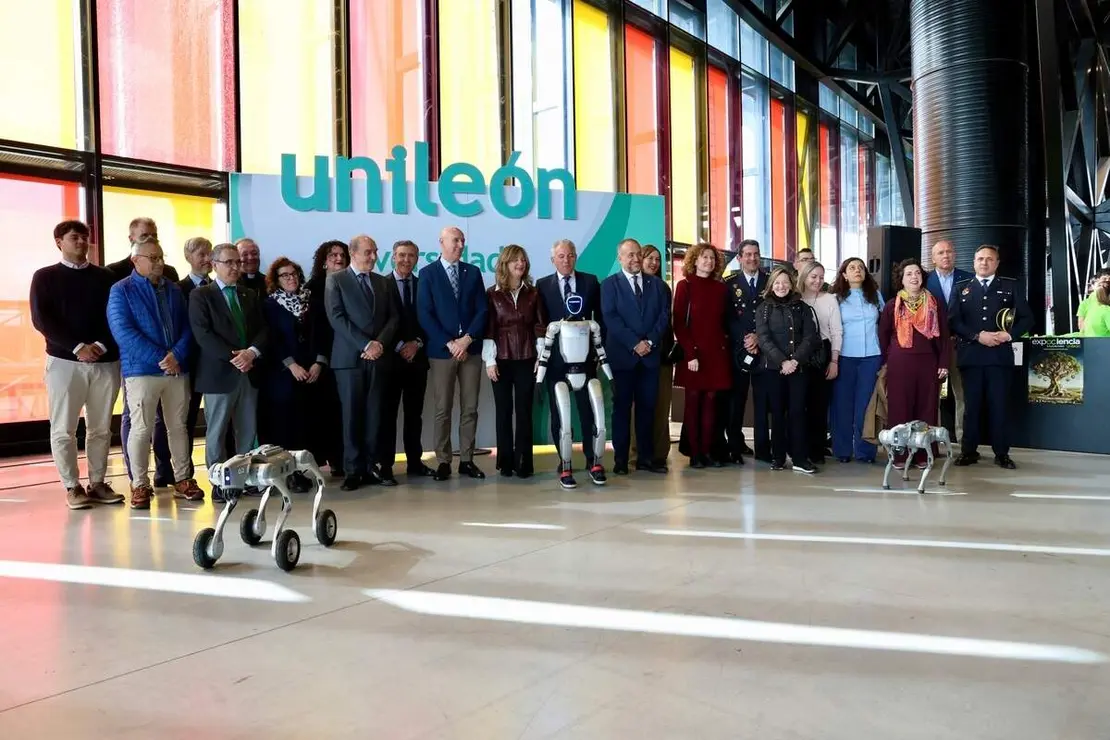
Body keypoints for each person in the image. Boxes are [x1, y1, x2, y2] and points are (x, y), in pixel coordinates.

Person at [30, 220, 124, 510]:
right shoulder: (44, 277)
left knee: (99, 428)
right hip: (64, 362)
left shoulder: (106, 277)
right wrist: (77, 346)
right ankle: (72, 486)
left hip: (105, 361)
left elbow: (117, 316)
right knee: (63, 429)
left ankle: (97, 483)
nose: (82, 242)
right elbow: (42, 319)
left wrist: (101, 345)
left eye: (85, 237)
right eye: (75, 237)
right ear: (59, 241)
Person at [107, 235, 203, 508]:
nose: (159, 262)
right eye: (153, 258)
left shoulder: (173, 290)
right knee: (141, 428)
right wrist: (163, 357)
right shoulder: (121, 290)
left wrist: (178, 356)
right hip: (142, 371)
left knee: (178, 427)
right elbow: (123, 332)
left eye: (161, 257)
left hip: (176, 371)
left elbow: (187, 328)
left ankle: (183, 479)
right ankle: (139, 484)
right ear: (135, 260)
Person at [188, 242, 268, 502]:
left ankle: (244, 479)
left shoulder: (249, 295)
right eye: (229, 262)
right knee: (217, 431)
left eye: (237, 262)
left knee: (247, 430)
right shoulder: (202, 295)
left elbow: (263, 330)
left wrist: (252, 353)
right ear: (214, 265)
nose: (235, 267)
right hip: (219, 374)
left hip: (249, 371)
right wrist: (236, 357)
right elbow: (203, 335)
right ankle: (218, 482)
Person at [947, 245, 1034, 469]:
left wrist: (1009, 334)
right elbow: (954, 321)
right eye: (980, 259)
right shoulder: (961, 288)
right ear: (973, 262)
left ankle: (1002, 453)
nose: (984, 263)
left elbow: (1027, 318)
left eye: (989, 259)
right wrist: (977, 336)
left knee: (999, 406)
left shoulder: (1009, 286)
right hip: (971, 357)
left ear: (997, 263)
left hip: (999, 358)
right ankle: (968, 451)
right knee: (971, 407)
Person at [325, 235, 399, 490]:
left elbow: (393, 318)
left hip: (379, 358)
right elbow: (336, 317)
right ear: (352, 253)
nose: (374, 257)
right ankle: (353, 471)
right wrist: (365, 344)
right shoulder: (336, 280)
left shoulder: (382, 282)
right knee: (352, 416)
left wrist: (379, 344)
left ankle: (374, 467)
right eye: (368, 252)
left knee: (376, 415)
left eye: (375, 252)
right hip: (349, 360)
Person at [110, 217, 177, 488]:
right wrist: (159, 357)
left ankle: (165, 469)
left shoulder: (169, 273)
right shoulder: (114, 274)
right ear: (131, 240)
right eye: (144, 235)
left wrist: (175, 356)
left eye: (154, 234)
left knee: (168, 421)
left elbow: (177, 320)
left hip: (170, 365)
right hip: (136, 362)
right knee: (134, 418)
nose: (150, 237)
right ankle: (136, 477)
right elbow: (121, 325)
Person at [417, 225, 488, 481]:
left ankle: (466, 459)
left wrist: (467, 340)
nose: (460, 245)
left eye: (462, 240)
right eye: (455, 240)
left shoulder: (473, 272)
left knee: (470, 407)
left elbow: (482, 310)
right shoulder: (428, 274)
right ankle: (444, 460)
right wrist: (450, 343)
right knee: (442, 408)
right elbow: (425, 314)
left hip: (470, 350)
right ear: (442, 242)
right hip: (442, 351)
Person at [601, 238, 670, 474]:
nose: (635, 259)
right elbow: (611, 319)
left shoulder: (658, 286)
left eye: (637, 254)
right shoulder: (609, 285)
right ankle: (620, 460)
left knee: (647, 408)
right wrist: (634, 343)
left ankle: (646, 459)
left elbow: (663, 317)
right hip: (623, 357)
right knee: (621, 409)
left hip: (650, 358)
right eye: (629, 255)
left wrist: (649, 342)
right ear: (619, 258)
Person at [535, 239, 604, 471]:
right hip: (555, 361)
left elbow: (600, 318)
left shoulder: (590, 281)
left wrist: (597, 350)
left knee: (588, 410)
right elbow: (541, 323)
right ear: (553, 259)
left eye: (571, 255)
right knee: (559, 412)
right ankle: (563, 459)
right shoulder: (542, 285)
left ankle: (590, 457)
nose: (567, 260)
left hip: (585, 360)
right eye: (562, 256)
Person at [259, 257, 325, 491]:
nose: (291, 278)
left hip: (310, 373)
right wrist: (290, 364)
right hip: (282, 376)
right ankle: (283, 476)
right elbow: (272, 340)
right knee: (283, 427)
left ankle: (299, 472)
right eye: (285, 275)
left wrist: (319, 362)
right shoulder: (269, 305)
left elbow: (322, 335)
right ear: (275, 280)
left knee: (304, 426)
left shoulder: (312, 303)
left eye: (294, 274)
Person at [878, 259, 951, 468]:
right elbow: (883, 335)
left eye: (917, 273)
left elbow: (944, 335)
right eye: (908, 273)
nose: (914, 277)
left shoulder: (934, 303)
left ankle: (923, 454)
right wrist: (888, 358)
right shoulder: (892, 304)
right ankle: (899, 455)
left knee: (926, 408)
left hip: (928, 361)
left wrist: (943, 362)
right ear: (901, 279)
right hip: (900, 363)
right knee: (899, 408)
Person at [483, 245, 547, 478]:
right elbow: (489, 329)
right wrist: (489, 361)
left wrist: (540, 358)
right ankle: (505, 462)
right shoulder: (492, 294)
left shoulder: (533, 293)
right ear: (505, 264)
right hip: (500, 360)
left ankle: (524, 462)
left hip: (527, 359)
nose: (520, 264)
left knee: (524, 411)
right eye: (515, 260)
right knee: (503, 411)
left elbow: (540, 327)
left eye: (523, 260)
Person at [378, 240, 436, 480]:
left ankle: (414, 462)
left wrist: (417, 344)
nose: (406, 260)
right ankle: (386, 466)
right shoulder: (381, 285)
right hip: (390, 362)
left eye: (411, 256)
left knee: (415, 415)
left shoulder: (424, 285)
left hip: (417, 362)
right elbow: (378, 323)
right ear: (393, 257)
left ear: (416, 258)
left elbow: (431, 319)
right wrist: (401, 345)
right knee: (387, 416)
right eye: (401, 255)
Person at [755, 267, 820, 473]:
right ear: (771, 286)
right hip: (774, 370)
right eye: (777, 283)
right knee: (777, 413)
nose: (781, 286)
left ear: (791, 284)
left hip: (799, 369)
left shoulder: (802, 307)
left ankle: (800, 458)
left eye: (785, 282)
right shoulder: (763, 309)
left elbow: (810, 337)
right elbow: (764, 339)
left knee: (798, 412)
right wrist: (783, 361)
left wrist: (794, 361)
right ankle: (778, 457)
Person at [672, 243, 730, 468]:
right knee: (693, 403)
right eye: (704, 257)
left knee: (711, 404)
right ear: (694, 260)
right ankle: (695, 453)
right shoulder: (684, 286)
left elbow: (724, 321)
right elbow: (679, 322)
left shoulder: (721, 289)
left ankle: (707, 451)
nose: (708, 261)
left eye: (712, 258)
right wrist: (690, 354)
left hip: (716, 354)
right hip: (693, 355)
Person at [830, 257, 885, 463]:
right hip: (845, 356)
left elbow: (884, 324)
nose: (857, 271)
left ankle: (865, 451)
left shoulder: (875, 296)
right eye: (852, 268)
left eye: (860, 267)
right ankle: (842, 450)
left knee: (866, 405)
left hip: (871, 356)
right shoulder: (836, 298)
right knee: (842, 405)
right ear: (844, 274)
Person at [722, 239, 769, 462]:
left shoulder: (770, 282)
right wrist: (745, 339)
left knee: (762, 400)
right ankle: (734, 446)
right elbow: (726, 318)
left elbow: (773, 315)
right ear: (739, 258)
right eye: (747, 254)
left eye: (756, 254)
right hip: (738, 352)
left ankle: (762, 448)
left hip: (765, 350)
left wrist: (759, 337)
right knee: (736, 401)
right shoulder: (729, 283)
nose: (752, 258)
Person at [306, 240, 349, 475]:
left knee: (345, 413)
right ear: (323, 261)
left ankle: (341, 460)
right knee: (325, 412)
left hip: (349, 356)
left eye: (342, 255)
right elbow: (313, 329)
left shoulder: (351, 284)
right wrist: (320, 358)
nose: (338, 259)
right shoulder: (312, 288)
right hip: (322, 362)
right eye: (333, 255)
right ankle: (325, 460)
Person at [924, 240, 972, 443]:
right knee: (931, 395)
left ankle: (963, 440)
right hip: (933, 347)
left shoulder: (969, 279)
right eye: (940, 252)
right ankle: (932, 440)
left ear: (955, 255)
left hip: (961, 344)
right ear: (933, 258)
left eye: (949, 251)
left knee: (962, 394)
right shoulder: (924, 281)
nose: (945, 255)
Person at [632, 244, 674, 468]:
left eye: (658, 259)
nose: (654, 263)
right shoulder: (627, 287)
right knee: (635, 408)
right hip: (634, 356)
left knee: (660, 408)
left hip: (661, 355)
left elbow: (664, 319)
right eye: (649, 258)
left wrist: (650, 342)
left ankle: (658, 455)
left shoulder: (663, 288)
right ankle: (635, 454)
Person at [178, 236, 216, 474]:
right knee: (185, 420)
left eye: (209, 254)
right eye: (201, 255)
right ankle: (182, 470)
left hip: (215, 365)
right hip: (189, 363)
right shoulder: (177, 289)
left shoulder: (219, 288)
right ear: (188, 258)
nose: (207, 259)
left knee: (218, 419)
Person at [798, 261, 842, 464]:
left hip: (821, 353)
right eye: (813, 276)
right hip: (798, 354)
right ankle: (799, 448)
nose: (817, 281)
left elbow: (836, 332)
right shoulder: (795, 298)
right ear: (804, 277)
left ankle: (816, 449)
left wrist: (834, 360)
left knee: (818, 405)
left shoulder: (830, 299)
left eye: (821, 277)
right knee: (799, 405)